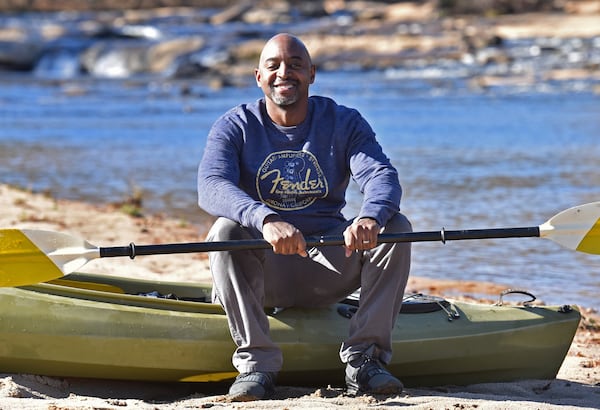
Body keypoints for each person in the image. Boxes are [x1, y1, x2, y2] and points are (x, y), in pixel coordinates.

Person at [197, 33, 411, 401]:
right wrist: (264, 219)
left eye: (295, 64)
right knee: (225, 229)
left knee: (396, 226)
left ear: (311, 74)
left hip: (329, 264)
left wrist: (368, 219)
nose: (285, 72)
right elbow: (211, 185)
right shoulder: (235, 125)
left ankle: (365, 361)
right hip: (263, 271)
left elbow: (380, 176)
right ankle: (256, 366)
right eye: (274, 65)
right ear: (258, 77)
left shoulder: (343, 122)